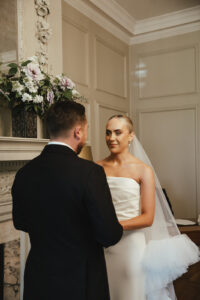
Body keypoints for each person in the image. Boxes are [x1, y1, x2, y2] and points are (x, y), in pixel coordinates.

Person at [12, 101, 123, 300]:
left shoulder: (24, 173)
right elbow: (110, 235)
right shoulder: (91, 173)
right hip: (80, 282)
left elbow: (20, 222)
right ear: (78, 132)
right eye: (87, 130)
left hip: (38, 281)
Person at [97, 115, 200, 300]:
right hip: (103, 245)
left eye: (118, 132)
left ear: (130, 136)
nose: (111, 138)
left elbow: (147, 217)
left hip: (130, 246)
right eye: (108, 132)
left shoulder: (143, 170)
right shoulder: (96, 168)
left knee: (131, 293)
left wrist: (114, 226)